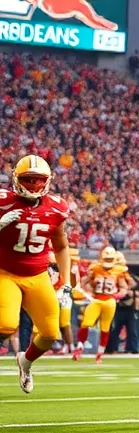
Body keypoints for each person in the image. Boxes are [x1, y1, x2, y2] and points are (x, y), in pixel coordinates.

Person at [0, 155, 73, 394]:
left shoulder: (56, 207)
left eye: (38, 179)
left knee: (50, 334)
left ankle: (25, 362)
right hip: (5, 272)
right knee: (6, 324)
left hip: (38, 274)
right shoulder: (3, 201)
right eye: (28, 179)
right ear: (16, 179)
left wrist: (66, 283)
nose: (33, 185)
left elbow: (61, 246)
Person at [76, 246, 127, 364]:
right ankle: (79, 348)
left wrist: (118, 295)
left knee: (105, 329)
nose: (108, 261)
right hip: (96, 300)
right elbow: (84, 282)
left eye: (110, 259)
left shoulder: (118, 270)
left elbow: (123, 287)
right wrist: (88, 291)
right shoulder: (95, 268)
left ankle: (100, 353)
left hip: (109, 301)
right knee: (86, 323)